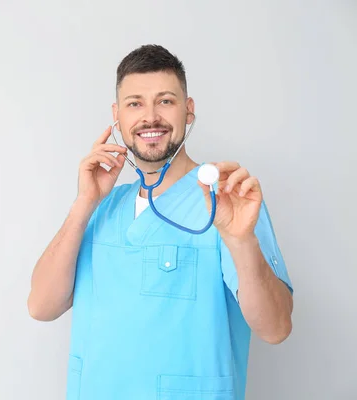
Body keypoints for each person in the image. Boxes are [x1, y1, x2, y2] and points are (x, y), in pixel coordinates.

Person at [27, 44, 294, 400]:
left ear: (188, 110)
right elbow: (41, 307)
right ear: (117, 116)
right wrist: (84, 203)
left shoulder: (227, 202)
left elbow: (276, 328)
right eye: (134, 103)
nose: (150, 117)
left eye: (165, 101)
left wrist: (241, 240)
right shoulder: (102, 208)